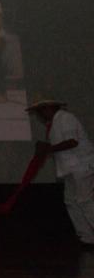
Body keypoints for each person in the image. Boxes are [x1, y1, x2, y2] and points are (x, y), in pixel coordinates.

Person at [27, 98, 94, 249]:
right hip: (70, 168)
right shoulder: (53, 123)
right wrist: (46, 148)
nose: (39, 115)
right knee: (71, 201)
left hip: (81, 166)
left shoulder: (66, 118)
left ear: (49, 108)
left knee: (84, 201)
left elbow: (72, 142)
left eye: (40, 111)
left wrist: (47, 148)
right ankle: (87, 237)